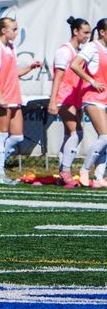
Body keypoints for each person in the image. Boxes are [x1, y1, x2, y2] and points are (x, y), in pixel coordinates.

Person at [0, 17, 41, 185]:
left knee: (17, 136)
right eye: (14, 29)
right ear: (4, 31)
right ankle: (0, 173)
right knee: (1, 134)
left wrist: (30, 67)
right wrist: (0, 97)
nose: (16, 32)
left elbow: (13, 73)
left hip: (13, 96)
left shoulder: (11, 47)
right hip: (1, 97)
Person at [48, 16, 97, 187]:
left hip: (75, 98)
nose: (87, 36)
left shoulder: (79, 52)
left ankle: (63, 172)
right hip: (64, 97)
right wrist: (53, 100)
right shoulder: (64, 51)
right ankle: (66, 171)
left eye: (89, 33)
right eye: (85, 32)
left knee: (71, 135)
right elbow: (58, 77)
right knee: (76, 133)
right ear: (75, 31)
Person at [71, 18, 107, 187]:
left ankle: (99, 177)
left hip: (105, 99)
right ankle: (84, 169)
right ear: (102, 32)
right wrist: (92, 82)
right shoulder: (92, 47)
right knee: (105, 137)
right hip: (93, 99)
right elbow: (75, 65)